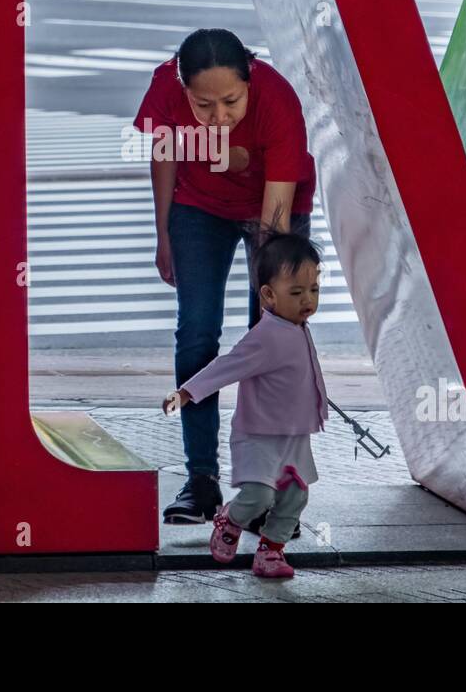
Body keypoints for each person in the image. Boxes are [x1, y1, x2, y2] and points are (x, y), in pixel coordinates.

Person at [134, 28, 318, 526]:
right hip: (199, 207)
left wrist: (273, 291)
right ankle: (202, 481)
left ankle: (267, 489)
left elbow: (275, 216)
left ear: (249, 79)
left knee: (269, 339)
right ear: (182, 86)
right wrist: (164, 233)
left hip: (274, 207)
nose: (219, 117)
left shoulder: (277, 100)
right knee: (196, 335)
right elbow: (166, 155)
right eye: (204, 104)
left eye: (231, 102)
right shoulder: (165, 89)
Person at [163, 233, 328, 579]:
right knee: (258, 496)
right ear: (267, 296)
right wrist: (186, 393)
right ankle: (230, 519)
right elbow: (227, 366)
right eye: (296, 293)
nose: (307, 301)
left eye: (313, 290)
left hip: (294, 436)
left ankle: (271, 550)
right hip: (260, 436)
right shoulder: (265, 336)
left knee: (296, 497)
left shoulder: (297, 326)